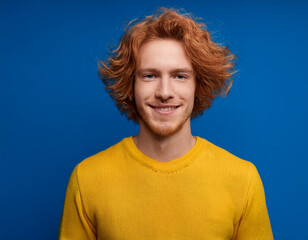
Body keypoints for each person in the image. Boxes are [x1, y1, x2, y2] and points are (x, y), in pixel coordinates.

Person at [58, 8, 273, 240]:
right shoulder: (88, 179)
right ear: (130, 85)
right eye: (150, 75)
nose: (164, 92)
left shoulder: (242, 179)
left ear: (198, 85)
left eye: (180, 76)